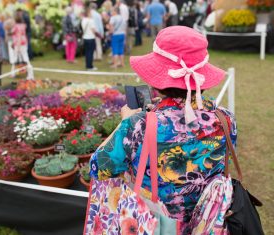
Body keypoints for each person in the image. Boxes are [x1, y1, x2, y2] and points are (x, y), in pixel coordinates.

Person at [89, 26, 236, 233]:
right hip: (208, 222)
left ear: (157, 80)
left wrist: (124, 123)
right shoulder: (226, 119)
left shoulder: (138, 125)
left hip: (156, 224)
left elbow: (97, 167)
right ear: (201, 78)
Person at [11, 12, 33, 80]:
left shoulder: (16, 26)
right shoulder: (23, 25)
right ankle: (30, 74)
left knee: (16, 59)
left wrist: (17, 46)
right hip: (23, 43)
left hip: (19, 43)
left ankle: (14, 73)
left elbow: (19, 35)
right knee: (25, 58)